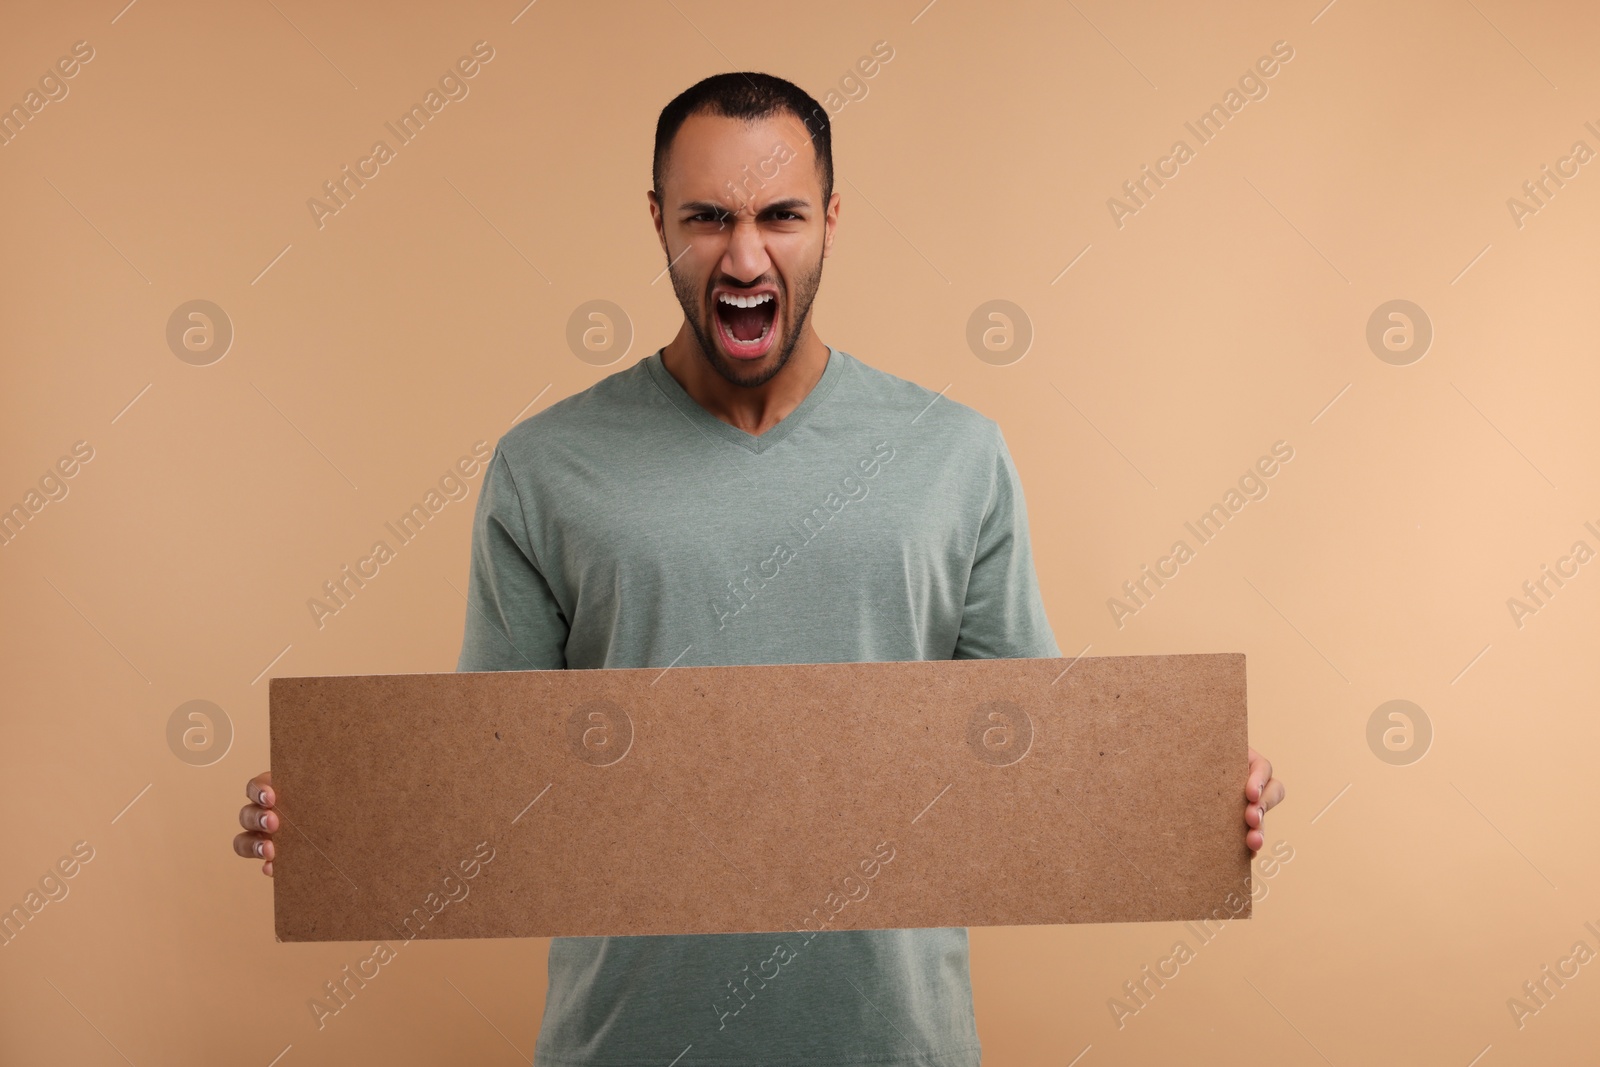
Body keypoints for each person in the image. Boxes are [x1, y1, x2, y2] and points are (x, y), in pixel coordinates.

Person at [234, 71, 1285, 1065]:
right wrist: (336, 819)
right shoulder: (545, 466)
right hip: (627, 1041)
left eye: (779, 214)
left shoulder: (954, 453)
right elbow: (485, 782)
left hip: (893, 1042)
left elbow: (1032, 757)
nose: (744, 257)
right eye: (707, 218)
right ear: (656, 221)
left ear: (832, 219)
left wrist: (1189, 798)